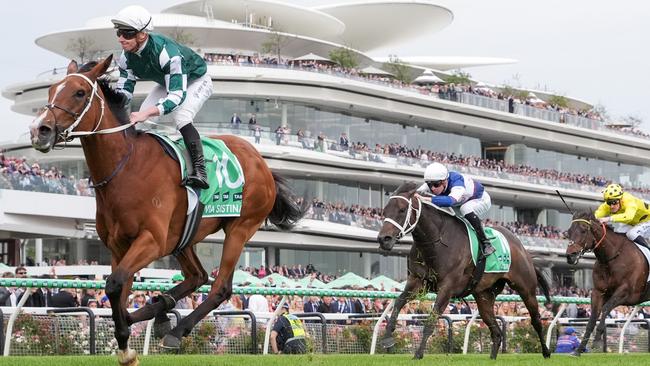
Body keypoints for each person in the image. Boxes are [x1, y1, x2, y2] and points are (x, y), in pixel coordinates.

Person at [112, 5, 213, 189]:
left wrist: (146, 113)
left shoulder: (168, 53)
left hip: (197, 80)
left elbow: (177, 96)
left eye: (126, 33)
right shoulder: (126, 58)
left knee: (181, 117)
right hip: (168, 83)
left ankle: (200, 171)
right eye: (118, 32)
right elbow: (124, 92)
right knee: (139, 121)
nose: (120, 38)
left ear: (142, 35)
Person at [415, 162, 495, 256]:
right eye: (429, 185)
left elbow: (450, 201)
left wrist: (427, 199)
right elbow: (416, 193)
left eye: (436, 185)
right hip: (460, 203)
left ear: (444, 181)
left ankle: (486, 243)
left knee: (465, 209)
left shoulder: (457, 181)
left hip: (480, 199)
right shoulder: (435, 181)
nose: (432, 188)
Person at [594, 183, 650, 249]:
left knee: (631, 234)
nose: (612, 206)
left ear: (620, 199)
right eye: (609, 202)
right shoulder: (607, 206)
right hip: (634, 223)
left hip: (647, 220)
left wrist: (608, 219)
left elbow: (629, 217)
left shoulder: (629, 200)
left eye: (614, 202)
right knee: (617, 233)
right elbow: (596, 215)